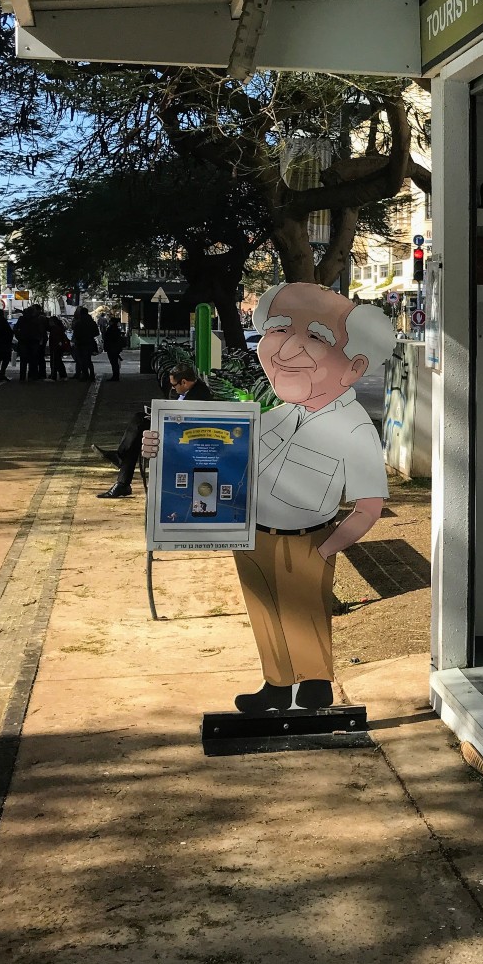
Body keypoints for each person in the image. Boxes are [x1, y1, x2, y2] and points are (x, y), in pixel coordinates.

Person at [146, 284, 393, 714]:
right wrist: (164, 446)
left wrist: (327, 548)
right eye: (279, 328)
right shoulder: (280, 414)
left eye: (317, 337)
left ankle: (316, 684)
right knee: (263, 611)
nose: (287, 349)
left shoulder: (354, 429)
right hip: (252, 533)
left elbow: (369, 507)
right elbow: (218, 450)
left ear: (353, 367)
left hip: (308, 537)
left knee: (307, 615)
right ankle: (277, 683)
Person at [95, 362, 214, 499]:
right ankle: (122, 481)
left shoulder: (199, 394)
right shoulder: (184, 390)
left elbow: (189, 419)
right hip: (171, 424)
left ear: (184, 382)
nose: (173, 389)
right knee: (137, 430)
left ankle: (121, 463)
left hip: (182, 433)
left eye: (174, 385)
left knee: (139, 424)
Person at [71, 306, 98, 382]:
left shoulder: (79, 322)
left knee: (81, 360)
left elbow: (76, 332)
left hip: (81, 343)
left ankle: (85, 375)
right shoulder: (91, 322)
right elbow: (96, 332)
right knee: (88, 360)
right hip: (89, 342)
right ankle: (91, 375)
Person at [100, 315, 125, 381]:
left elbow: (108, 339)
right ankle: (116, 376)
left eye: (110, 321)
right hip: (115, 348)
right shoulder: (116, 329)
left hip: (112, 348)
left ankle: (115, 376)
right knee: (115, 363)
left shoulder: (111, 329)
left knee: (114, 363)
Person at [46, 313, 69, 381]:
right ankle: (62, 375)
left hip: (55, 347)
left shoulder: (54, 329)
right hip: (58, 347)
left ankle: (54, 376)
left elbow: (55, 339)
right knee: (58, 361)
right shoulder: (59, 328)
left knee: (54, 362)